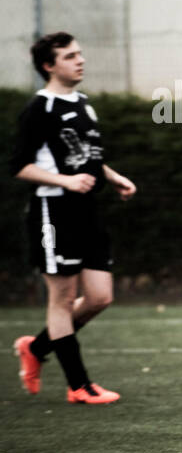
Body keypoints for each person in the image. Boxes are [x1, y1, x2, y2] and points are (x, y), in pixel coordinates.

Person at [11, 32, 136, 404]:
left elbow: (87, 157)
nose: (79, 61)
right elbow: (19, 166)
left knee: (99, 297)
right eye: (69, 56)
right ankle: (79, 386)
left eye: (80, 54)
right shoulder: (39, 108)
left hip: (87, 211)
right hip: (53, 212)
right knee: (62, 299)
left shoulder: (83, 103)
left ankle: (35, 347)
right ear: (49, 66)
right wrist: (64, 180)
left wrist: (112, 177)